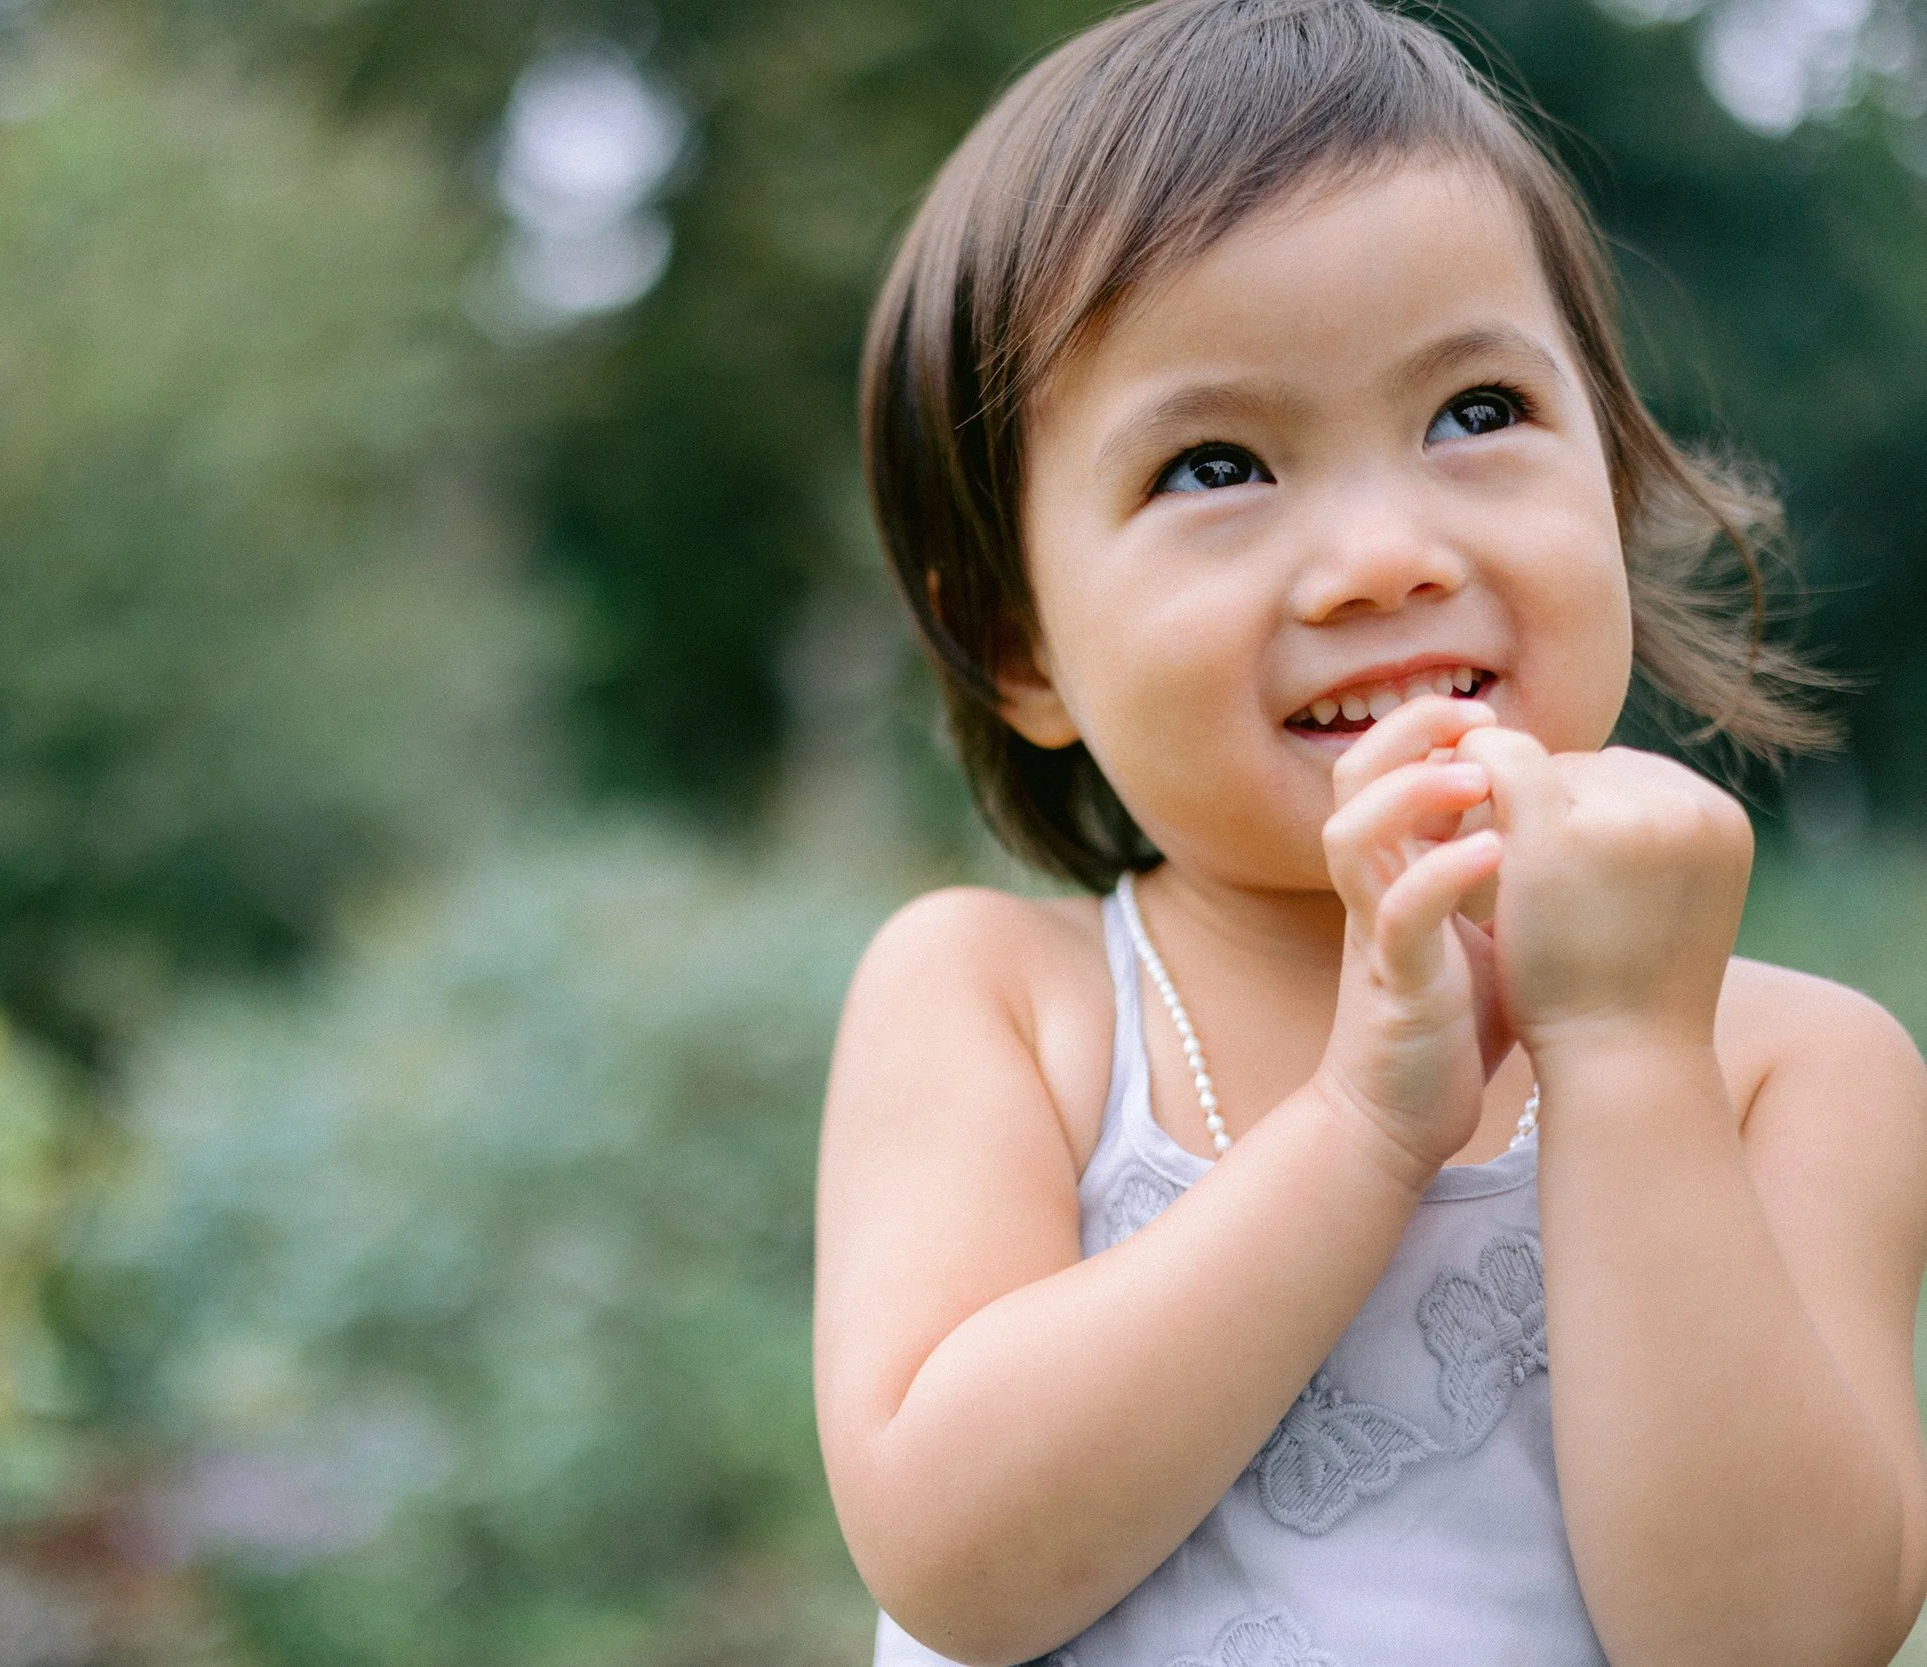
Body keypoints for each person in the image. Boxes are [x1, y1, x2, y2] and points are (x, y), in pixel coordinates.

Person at [812, 1, 1927, 1663]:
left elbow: (1778, 1639)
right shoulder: (1002, 998)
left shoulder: (1788, 1068)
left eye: (1476, 413)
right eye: (1215, 462)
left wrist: (1626, 1050)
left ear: (1612, 484)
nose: (1386, 555)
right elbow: (955, 1560)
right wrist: (1361, 1129)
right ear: (1021, 644)